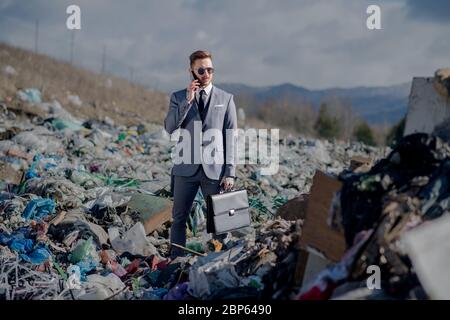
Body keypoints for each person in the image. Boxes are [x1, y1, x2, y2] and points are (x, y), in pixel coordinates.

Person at [164, 50, 238, 258]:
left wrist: (230, 172)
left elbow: (231, 137)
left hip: (215, 170)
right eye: (201, 70)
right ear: (192, 71)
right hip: (185, 168)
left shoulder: (226, 98)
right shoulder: (178, 97)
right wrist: (188, 101)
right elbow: (170, 128)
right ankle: (175, 262)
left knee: (220, 221)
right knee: (179, 219)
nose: (206, 73)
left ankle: (219, 259)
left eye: (210, 69)